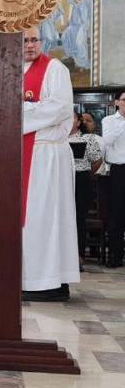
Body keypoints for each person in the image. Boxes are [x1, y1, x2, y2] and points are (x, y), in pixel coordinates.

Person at [20, 27, 78, 300]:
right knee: (30, 220)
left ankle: (50, 282)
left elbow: (61, 107)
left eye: (34, 40)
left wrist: (24, 112)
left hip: (47, 155)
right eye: (24, 40)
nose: (30, 45)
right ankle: (31, 278)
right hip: (25, 154)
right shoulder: (14, 71)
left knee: (48, 218)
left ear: (43, 42)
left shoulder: (55, 69)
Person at [69, 110, 102, 270]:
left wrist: (87, 176)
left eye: (72, 118)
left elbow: (97, 160)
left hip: (81, 180)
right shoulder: (58, 138)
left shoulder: (87, 138)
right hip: (63, 179)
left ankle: (79, 256)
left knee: (78, 219)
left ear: (78, 121)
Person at [102, 90, 125, 268]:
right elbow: (107, 141)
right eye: (124, 100)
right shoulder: (109, 121)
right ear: (117, 102)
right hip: (118, 170)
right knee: (117, 214)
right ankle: (115, 257)